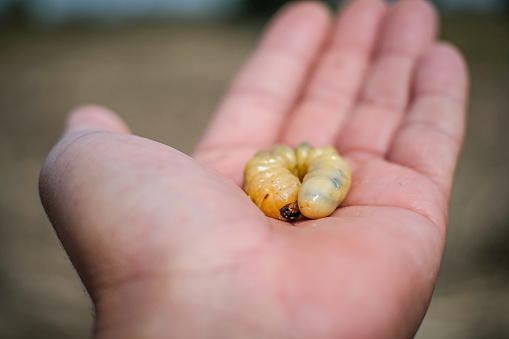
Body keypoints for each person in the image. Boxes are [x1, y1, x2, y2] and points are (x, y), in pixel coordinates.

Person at [39, 0, 468, 337]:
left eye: (300, 203)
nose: (302, 207)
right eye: (301, 201)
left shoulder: (303, 175)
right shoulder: (275, 174)